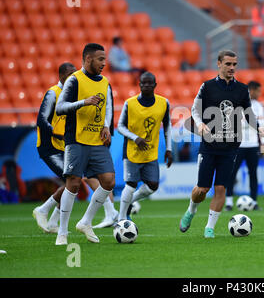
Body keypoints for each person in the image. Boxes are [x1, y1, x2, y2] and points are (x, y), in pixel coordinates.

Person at [179, 50, 264, 238]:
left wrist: (258, 127)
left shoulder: (242, 90)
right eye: (228, 64)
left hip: (231, 146)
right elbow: (195, 109)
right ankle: (191, 210)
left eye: (234, 64)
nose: (232, 68)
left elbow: (248, 112)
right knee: (202, 189)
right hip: (210, 145)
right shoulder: (208, 87)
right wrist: (200, 123)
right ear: (219, 64)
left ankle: (209, 228)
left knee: (221, 188)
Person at [32, 63, 118, 233]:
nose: (74, 76)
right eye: (71, 74)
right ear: (62, 75)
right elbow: (41, 120)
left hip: (68, 146)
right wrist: (57, 134)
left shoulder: (75, 94)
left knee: (76, 181)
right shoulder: (53, 93)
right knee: (74, 181)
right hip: (50, 148)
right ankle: (43, 210)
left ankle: (52, 221)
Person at [55, 43, 115, 245]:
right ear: (88, 59)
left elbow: (107, 107)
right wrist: (84, 102)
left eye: (105, 59)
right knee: (72, 183)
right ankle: (62, 232)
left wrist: (106, 126)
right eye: (100, 59)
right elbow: (60, 108)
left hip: (97, 140)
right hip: (77, 140)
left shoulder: (105, 82)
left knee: (108, 181)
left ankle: (86, 221)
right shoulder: (74, 81)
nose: (104, 63)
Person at [117, 71, 173, 221]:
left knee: (153, 185)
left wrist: (169, 149)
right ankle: (122, 219)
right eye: (144, 83)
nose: (147, 85)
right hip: (131, 151)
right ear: (139, 85)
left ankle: (130, 201)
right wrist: (135, 138)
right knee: (131, 184)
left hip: (150, 152)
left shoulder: (163, 103)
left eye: (150, 83)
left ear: (155, 85)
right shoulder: (130, 103)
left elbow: (167, 127)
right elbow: (120, 126)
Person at [225, 80, 264, 211]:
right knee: (231, 173)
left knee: (253, 174)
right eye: (258, 91)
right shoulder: (237, 104)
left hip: (253, 145)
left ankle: (254, 202)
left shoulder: (258, 106)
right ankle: (228, 202)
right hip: (237, 145)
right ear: (252, 90)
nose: (259, 94)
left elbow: (263, 125)